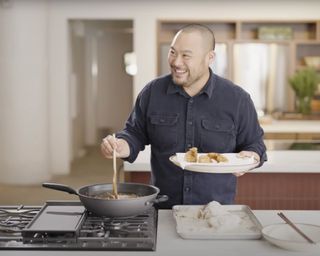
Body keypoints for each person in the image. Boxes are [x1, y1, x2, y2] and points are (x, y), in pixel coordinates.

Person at [101, 24, 267, 209]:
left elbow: (255, 144)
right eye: (172, 52)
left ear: (209, 57)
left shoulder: (237, 99)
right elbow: (134, 133)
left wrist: (250, 156)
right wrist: (121, 145)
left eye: (186, 55)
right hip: (162, 208)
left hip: (216, 211)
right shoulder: (152, 92)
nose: (176, 62)